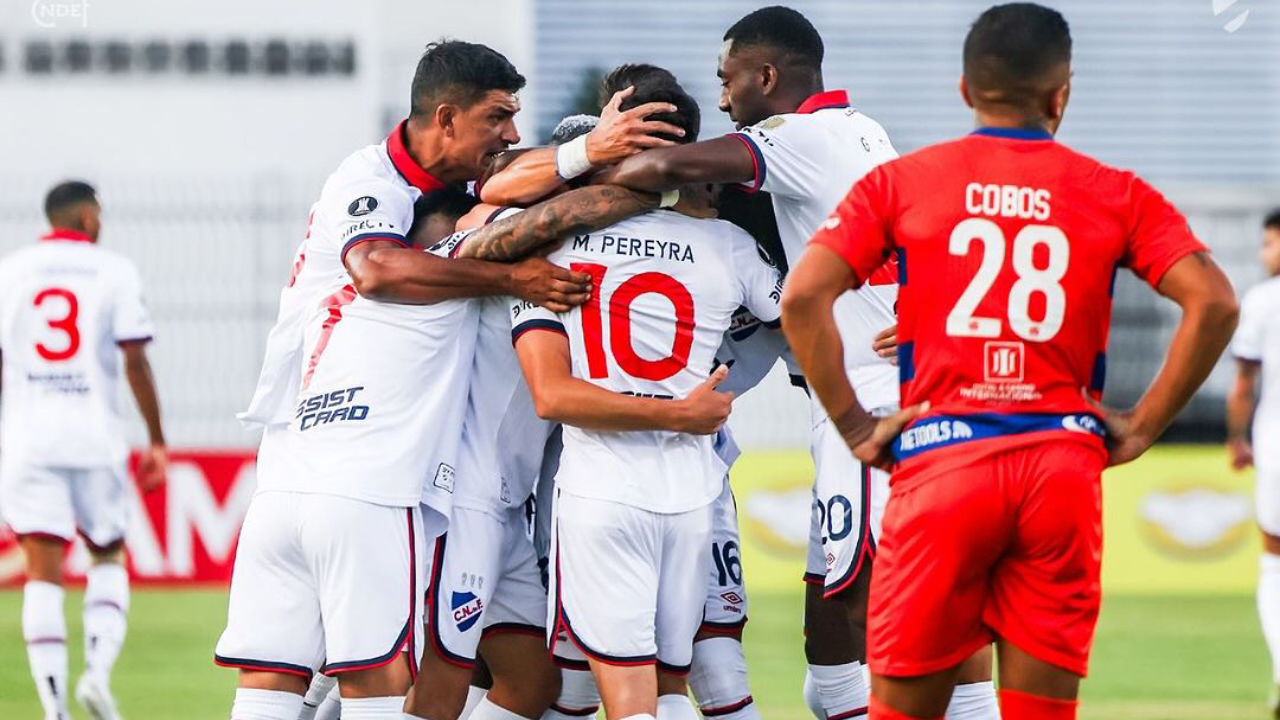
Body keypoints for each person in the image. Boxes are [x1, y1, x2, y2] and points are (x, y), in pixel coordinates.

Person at [782, 5, 1239, 720]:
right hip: (1058, 468)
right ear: (1062, 94)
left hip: (942, 462)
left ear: (966, 90)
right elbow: (1213, 302)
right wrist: (1143, 426)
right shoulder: (1113, 190)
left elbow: (804, 297)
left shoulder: (905, 182)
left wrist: (854, 425)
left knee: (904, 708)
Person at [582, 8, 998, 718]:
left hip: (875, 399)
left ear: (766, 77)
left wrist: (597, 151)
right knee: (831, 650)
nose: (721, 99)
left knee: (899, 610)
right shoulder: (864, 131)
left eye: (728, 80)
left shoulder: (800, 135)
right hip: (855, 399)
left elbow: (669, 165)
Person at [216, 40, 619, 720]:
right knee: (384, 679)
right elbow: (383, 267)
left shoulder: (438, 223)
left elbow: (505, 192)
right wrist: (633, 179)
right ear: (447, 116)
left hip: (294, 474)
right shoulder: (406, 222)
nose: (512, 136)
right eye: (498, 117)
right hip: (385, 483)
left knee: (276, 679)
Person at [511, 72, 782, 720]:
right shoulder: (731, 244)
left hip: (601, 491)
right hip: (691, 493)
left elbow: (550, 394)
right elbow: (801, 312)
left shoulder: (558, 237)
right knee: (673, 684)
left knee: (618, 694)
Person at [0, 180, 168, 720]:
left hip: (28, 439)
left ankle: (53, 708)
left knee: (42, 572)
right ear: (88, 216)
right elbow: (135, 361)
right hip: (94, 437)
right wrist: (157, 441)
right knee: (107, 554)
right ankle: (96, 676)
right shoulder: (113, 270)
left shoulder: (12, 270)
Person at [1227, 208, 1280, 719]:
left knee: (1273, 561)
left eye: (1270, 243)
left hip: (1276, 446)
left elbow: (1244, 383)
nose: (1266, 254)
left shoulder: (1265, 300)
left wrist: (1236, 439)